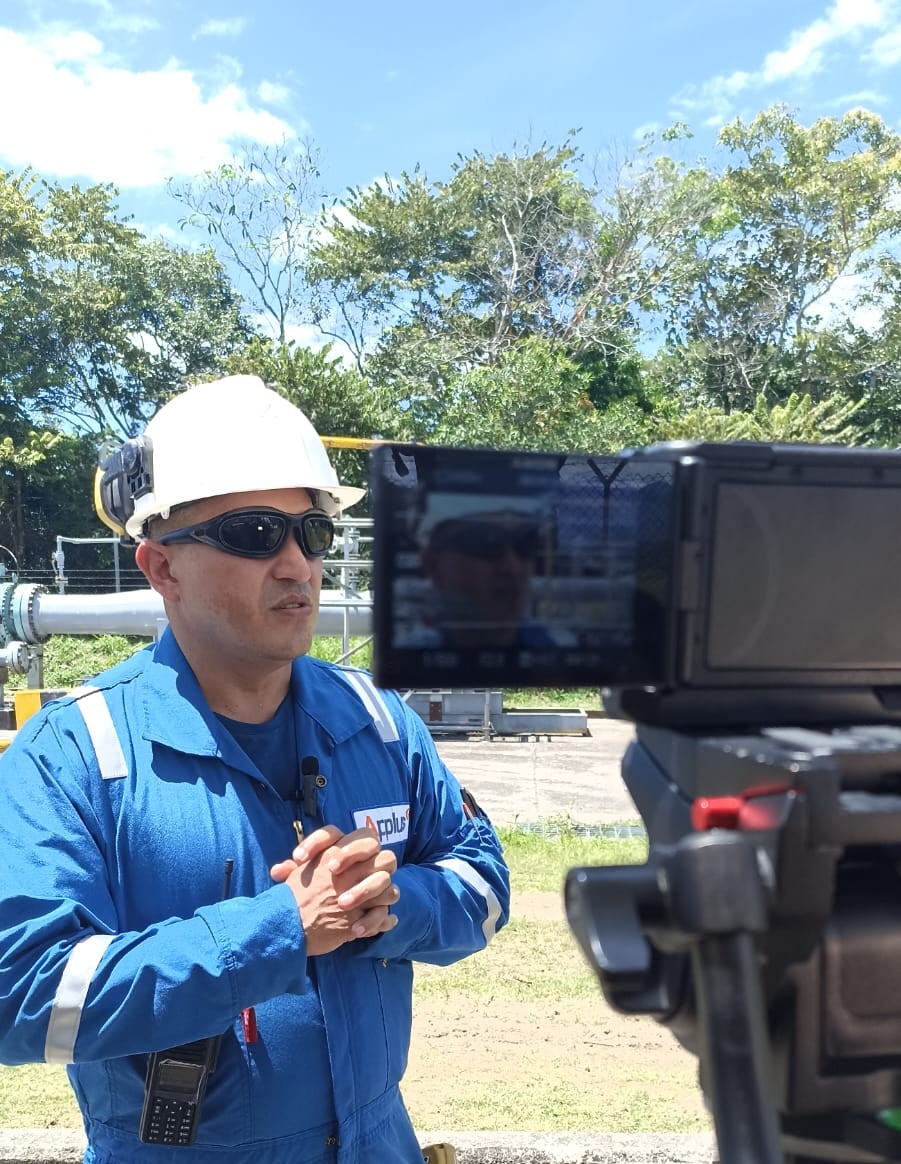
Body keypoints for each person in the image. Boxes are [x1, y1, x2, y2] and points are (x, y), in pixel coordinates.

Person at [0, 375, 510, 1163]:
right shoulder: (77, 754)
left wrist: (391, 904)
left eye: (312, 532)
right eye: (254, 532)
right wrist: (279, 930)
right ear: (162, 568)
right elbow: (22, 997)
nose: (296, 564)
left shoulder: (378, 722)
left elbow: (483, 885)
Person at [408, 493, 562, 650]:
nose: (512, 568)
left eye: (525, 542)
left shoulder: (557, 650)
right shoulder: (409, 656)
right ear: (433, 565)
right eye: (487, 542)